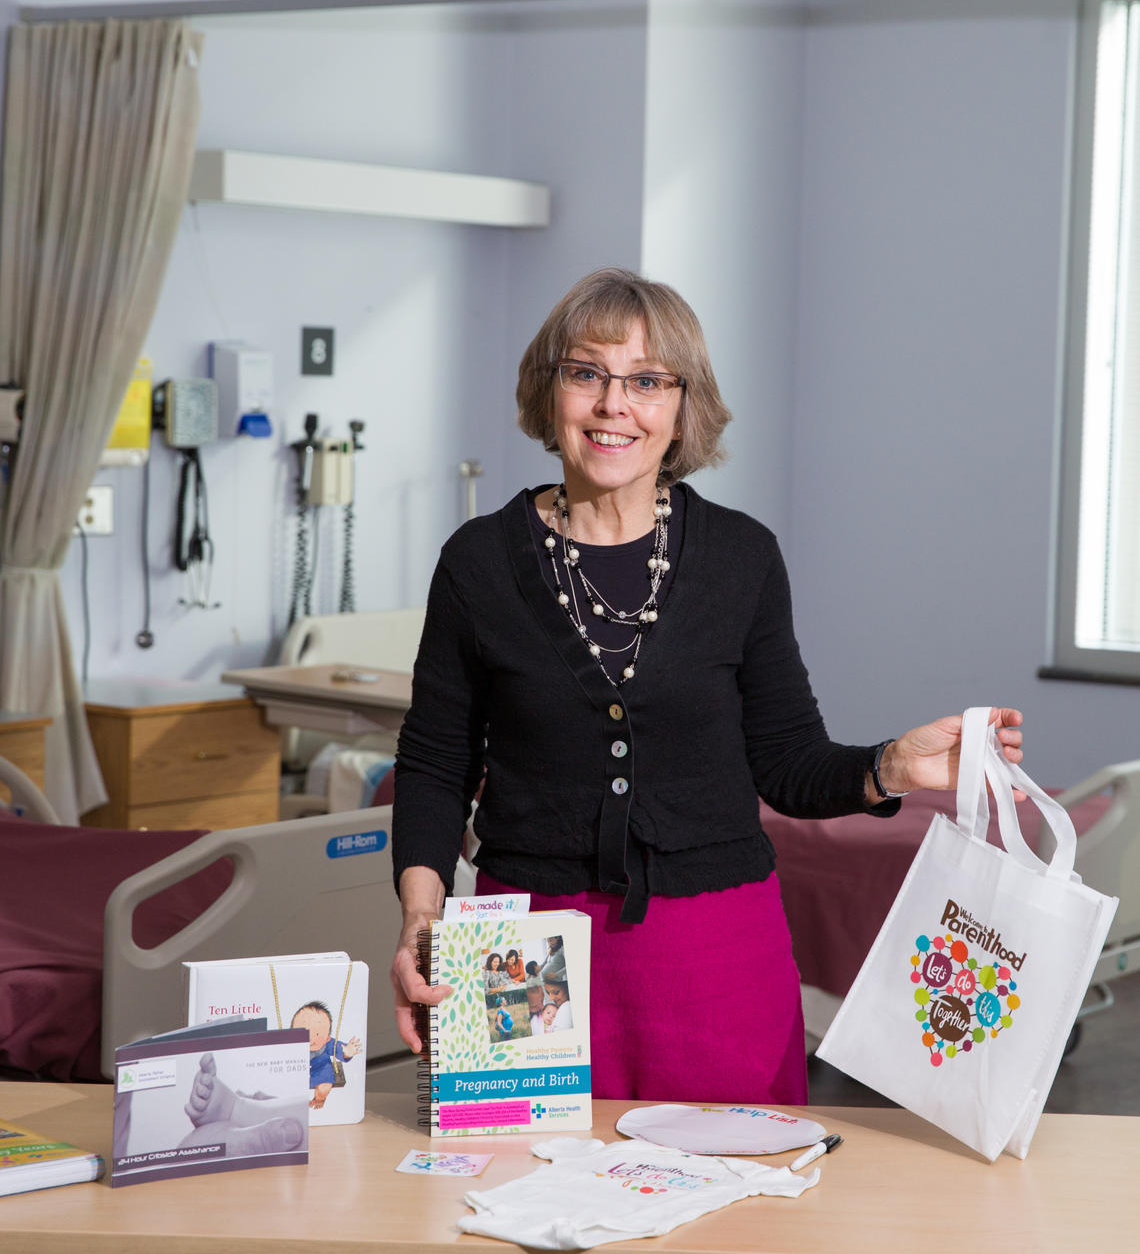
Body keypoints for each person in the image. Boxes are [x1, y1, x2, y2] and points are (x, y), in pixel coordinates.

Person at [390, 266, 1024, 1104]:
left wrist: (891, 767)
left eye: (648, 381)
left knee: (741, 1214)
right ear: (551, 393)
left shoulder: (741, 557)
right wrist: (422, 921)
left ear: (682, 406)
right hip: (517, 944)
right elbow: (435, 761)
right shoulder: (476, 562)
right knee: (512, 1200)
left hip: (716, 955)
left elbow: (786, 760)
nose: (616, 404)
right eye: (587, 373)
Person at [290, 1001, 362, 1110]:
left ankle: (320, 1098)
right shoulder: (290, 1043)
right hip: (296, 1068)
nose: (310, 1038)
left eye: (317, 1034)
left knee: (325, 1086)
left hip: (321, 1067)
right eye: (304, 1032)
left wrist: (347, 1052)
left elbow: (339, 1049)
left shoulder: (328, 1043)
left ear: (327, 1038)